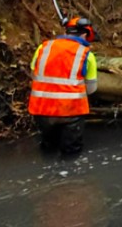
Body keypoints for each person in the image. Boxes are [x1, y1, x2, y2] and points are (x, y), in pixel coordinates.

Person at [29, 16, 100, 155]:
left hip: (42, 110)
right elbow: (91, 89)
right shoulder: (87, 55)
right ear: (85, 34)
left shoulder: (43, 47)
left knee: (49, 149)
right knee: (71, 154)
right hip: (71, 112)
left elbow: (33, 74)